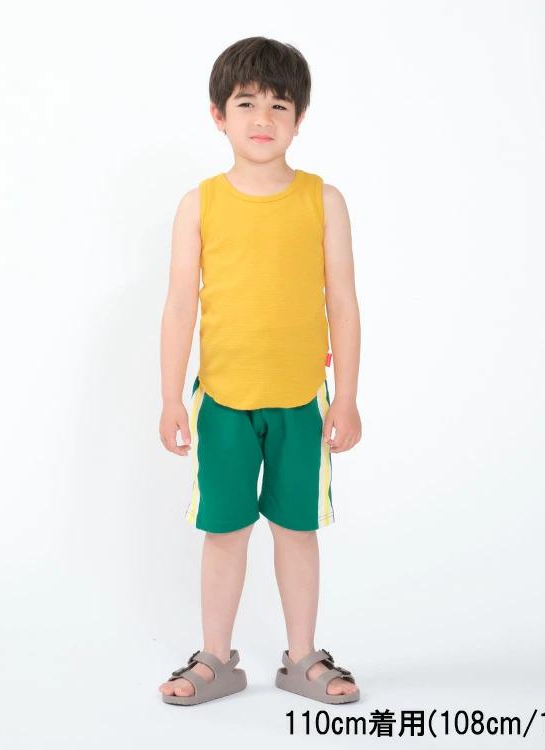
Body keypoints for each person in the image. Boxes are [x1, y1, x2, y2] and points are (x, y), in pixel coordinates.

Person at [158, 36, 362, 706]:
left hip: (301, 400)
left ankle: (303, 657)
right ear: (219, 115)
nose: (263, 118)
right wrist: (170, 399)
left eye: (280, 105)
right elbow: (180, 305)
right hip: (223, 401)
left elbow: (343, 303)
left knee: (297, 532)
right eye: (246, 103)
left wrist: (347, 398)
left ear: (300, 118)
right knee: (224, 532)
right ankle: (215, 659)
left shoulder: (323, 200)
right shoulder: (200, 204)